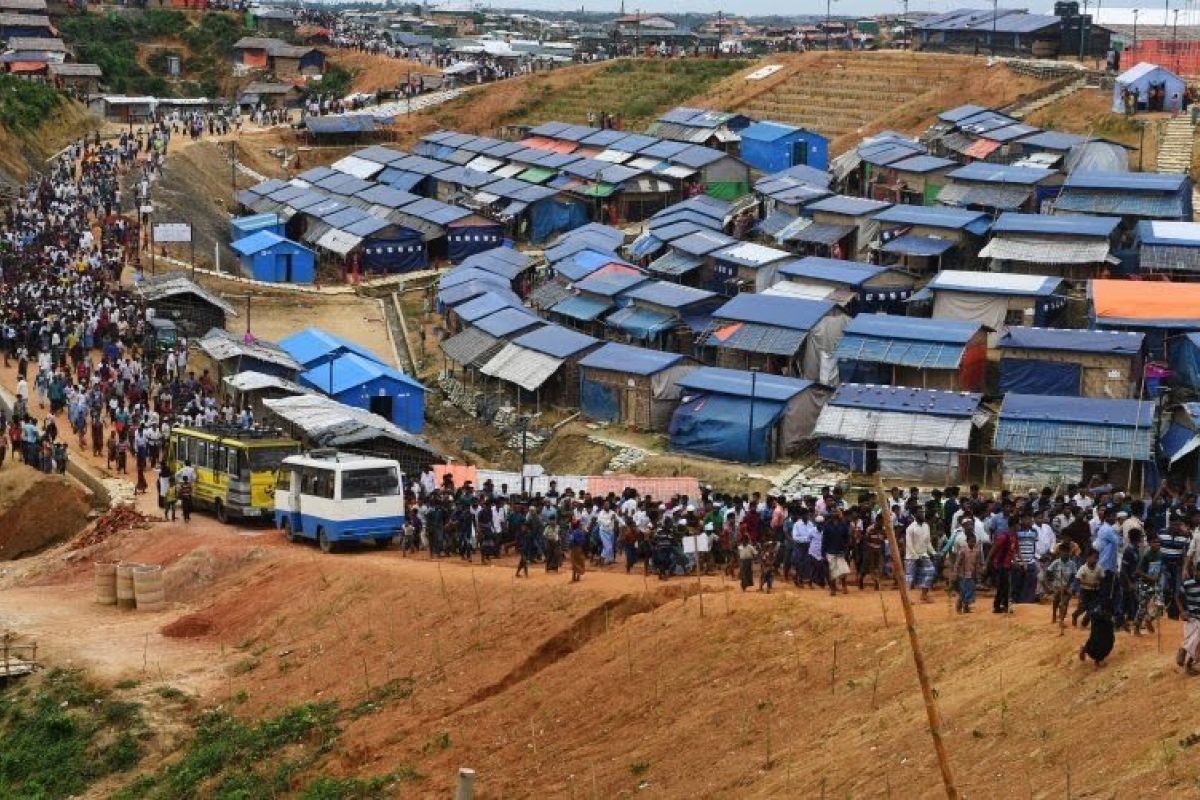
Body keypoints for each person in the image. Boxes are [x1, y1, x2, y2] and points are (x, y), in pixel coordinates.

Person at [904, 508, 936, 603]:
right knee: (910, 577)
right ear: (914, 515)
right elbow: (909, 544)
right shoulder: (910, 528)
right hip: (911, 557)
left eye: (923, 512)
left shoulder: (926, 526)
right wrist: (915, 556)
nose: (923, 514)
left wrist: (933, 552)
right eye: (920, 513)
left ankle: (924, 595)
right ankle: (907, 599)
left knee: (930, 572)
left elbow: (928, 542)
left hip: (923, 554)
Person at [1176, 564, 1200, 676]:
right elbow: (1177, 596)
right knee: (1195, 641)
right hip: (1191, 618)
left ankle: (1187, 659)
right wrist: (1182, 611)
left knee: (1197, 645)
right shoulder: (1188, 583)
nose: (1197, 574)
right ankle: (1184, 650)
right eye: (1197, 571)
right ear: (1195, 571)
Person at [1046, 544, 1076, 626]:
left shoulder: (1072, 564)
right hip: (1057, 586)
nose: (1065, 554)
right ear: (1060, 552)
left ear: (1069, 553)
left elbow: (1074, 575)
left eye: (1067, 552)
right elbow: (1048, 571)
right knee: (1056, 601)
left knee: (1064, 603)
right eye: (1063, 552)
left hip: (1067, 587)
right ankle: (1054, 616)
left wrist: (1068, 586)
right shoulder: (1056, 563)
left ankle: (1061, 620)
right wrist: (1050, 582)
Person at [953, 531, 981, 613]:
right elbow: (958, 562)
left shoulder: (976, 551)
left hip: (971, 575)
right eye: (971, 541)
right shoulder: (963, 551)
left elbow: (976, 563)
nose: (973, 543)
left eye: (974, 541)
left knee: (970, 591)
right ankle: (959, 607)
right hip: (963, 575)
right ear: (967, 541)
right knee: (963, 592)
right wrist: (955, 572)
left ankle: (966, 607)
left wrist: (977, 573)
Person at [1073, 550, 1102, 627]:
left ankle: (1085, 621)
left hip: (1095, 592)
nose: (1095, 560)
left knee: (1092, 609)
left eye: (1097, 558)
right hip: (1085, 591)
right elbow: (1078, 579)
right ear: (1088, 558)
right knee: (1082, 607)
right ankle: (1075, 615)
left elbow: (1102, 578)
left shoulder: (1099, 568)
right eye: (1094, 558)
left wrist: (1099, 583)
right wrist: (1077, 590)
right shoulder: (1083, 568)